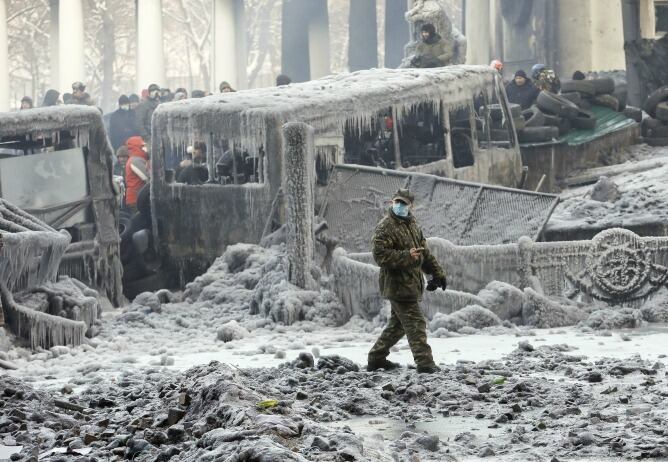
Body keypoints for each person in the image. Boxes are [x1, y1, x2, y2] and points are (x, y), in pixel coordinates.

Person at [367, 189, 447, 374]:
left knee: (398, 326)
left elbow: (424, 253)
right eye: (398, 202)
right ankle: (425, 364)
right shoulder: (385, 226)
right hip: (397, 286)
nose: (400, 206)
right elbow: (379, 255)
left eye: (404, 203)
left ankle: (376, 358)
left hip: (411, 284)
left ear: (411, 206)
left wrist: (437, 273)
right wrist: (406, 256)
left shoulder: (412, 225)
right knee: (416, 323)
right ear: (392, 202)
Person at [124, 136, 150, 213]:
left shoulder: (137, 159)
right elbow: (147, 177)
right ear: (136, 147)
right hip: (136, 199)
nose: (145, 149)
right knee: (141, 222)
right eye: (142, 146)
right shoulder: (135, 161)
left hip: (137, 197)